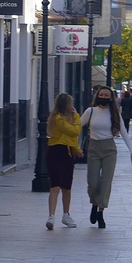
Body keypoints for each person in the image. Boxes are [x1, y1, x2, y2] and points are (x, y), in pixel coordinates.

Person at [81, 86, 132, 228]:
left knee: (106, 182)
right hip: (94, 148)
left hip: (109, 149)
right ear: (97, 96)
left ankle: (100, 212)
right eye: (101, 94)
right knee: (93, 182)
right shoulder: (90, 111)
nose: (104, 97)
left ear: (111, 98)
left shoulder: (114, 114)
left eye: (107, 95)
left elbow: (124, 133)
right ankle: (94, 203)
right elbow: (77, 127)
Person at [45, 93, 82, 231]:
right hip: (58, 152)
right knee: (55, 185)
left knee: (66, 186)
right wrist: (77, 116)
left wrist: (76, 149)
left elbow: (69, 139)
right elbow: (74, 132)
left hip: (65, 152)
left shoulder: (65, 118)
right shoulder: (59, 119)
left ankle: (65, 215)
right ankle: (52, 216)